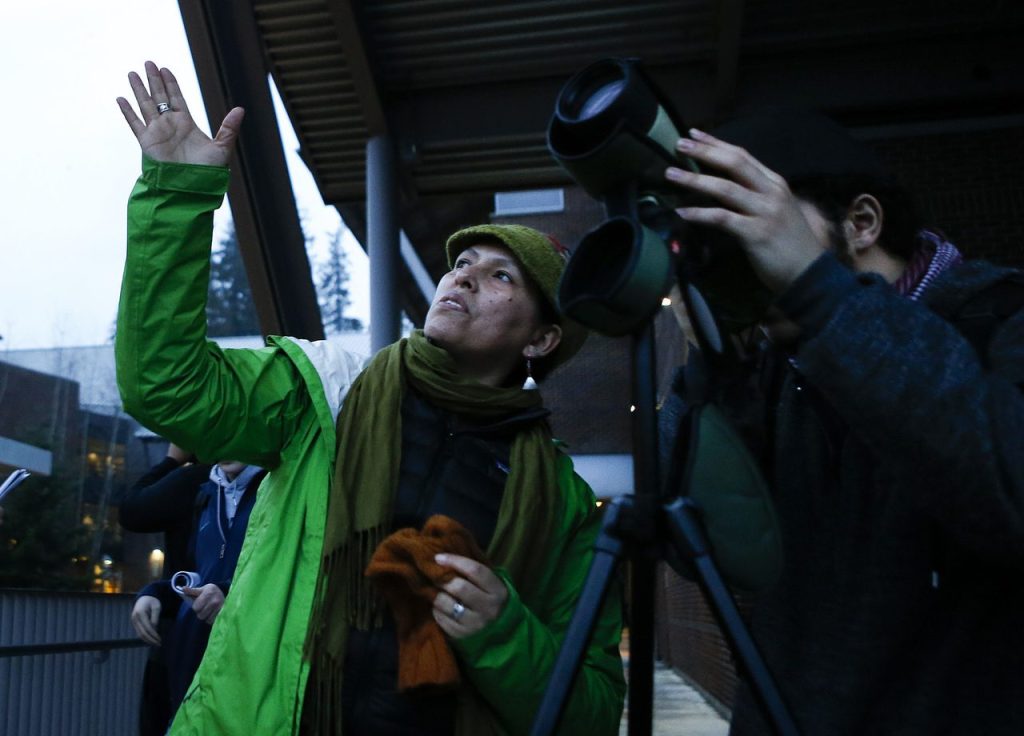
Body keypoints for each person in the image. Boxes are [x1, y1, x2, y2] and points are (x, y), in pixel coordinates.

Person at [114, 61, 625, 736]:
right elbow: (166, 385)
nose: (465, 278)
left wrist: (504, 633)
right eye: (462, 264)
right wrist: (179, 192)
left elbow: (590, 711)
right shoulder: (326, 391)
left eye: (501, 275)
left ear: (541, 339)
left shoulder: (560, 501)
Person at [660, 110, 1024, 734]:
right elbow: (700, 549)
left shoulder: (1000, 318)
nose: (744, 255)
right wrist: (715, 370)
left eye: (757, 221)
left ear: (861, 223)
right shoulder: (775, 365)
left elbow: (1009, 492)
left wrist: (821, 295)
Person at [123, 446, 265, 731]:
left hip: (248, 673)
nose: (224, 441)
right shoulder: (207, 492)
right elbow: (203, 576)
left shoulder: (278, 489)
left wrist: (227, 592)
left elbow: (283, 572)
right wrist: (158, 593)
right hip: (190, 674)